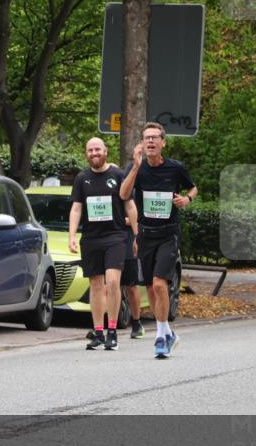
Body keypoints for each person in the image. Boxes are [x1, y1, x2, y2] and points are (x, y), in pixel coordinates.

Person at [120, 122, 197, 359]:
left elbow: (193, 188)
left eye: (155, 138)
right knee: (151, 288)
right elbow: (123, 194)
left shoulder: (175, 168)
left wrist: (187, 199)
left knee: (160, 283)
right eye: (146, 138)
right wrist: (135, 167)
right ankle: (167, 332)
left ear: (163, 142)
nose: (151, 141)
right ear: (142, 143)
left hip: (168, 233)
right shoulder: (136, 168)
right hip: (146, 234)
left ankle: (161, 336)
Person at [69, 137, 139, 351]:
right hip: (91, 238)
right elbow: (76, 209)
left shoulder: (118, 175)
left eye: (97, 149)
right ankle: (98, 332)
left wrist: (137, 235)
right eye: (90, 150)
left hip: (116, 236)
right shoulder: (82, 178)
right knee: (96, 285)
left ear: (105, 151)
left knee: (113, 282)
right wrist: (72, 235)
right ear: (86, 154)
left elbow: (130, 207)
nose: (94, 153)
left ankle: (112, 331)